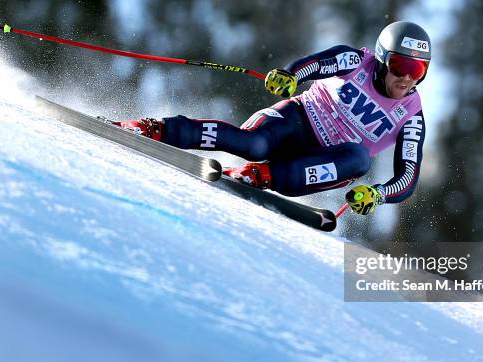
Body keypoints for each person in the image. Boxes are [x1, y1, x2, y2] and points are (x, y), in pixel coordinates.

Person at [115, 21, 430, 216]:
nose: (406, 79)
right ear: (380, 58)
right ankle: (154, 129)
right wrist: (290, 76)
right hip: (296, 120)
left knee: (361, 159)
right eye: (400, 66)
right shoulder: (356, 61)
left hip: (321, 160)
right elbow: (315, 65)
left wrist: (378, 194)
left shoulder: (411, 116)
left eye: (418, 71)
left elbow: (407, 179)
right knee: (252, 144)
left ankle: (260, 176)